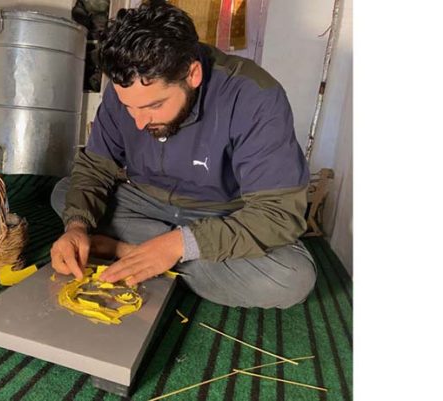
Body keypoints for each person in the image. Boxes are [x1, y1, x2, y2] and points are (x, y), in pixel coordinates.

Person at [50, 2, 316, 309]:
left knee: (291, 278)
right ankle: (157, 257)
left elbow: (278, 214)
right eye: (128, 108)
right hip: (144, 202)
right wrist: (76, 228)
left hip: (218, 214)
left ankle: (132, 252)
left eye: (154, 106)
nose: (139, 122)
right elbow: (95, 168)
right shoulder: (125, 87)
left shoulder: (255, 96)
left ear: (193, 74)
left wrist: (181, 244)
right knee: (63, 193)